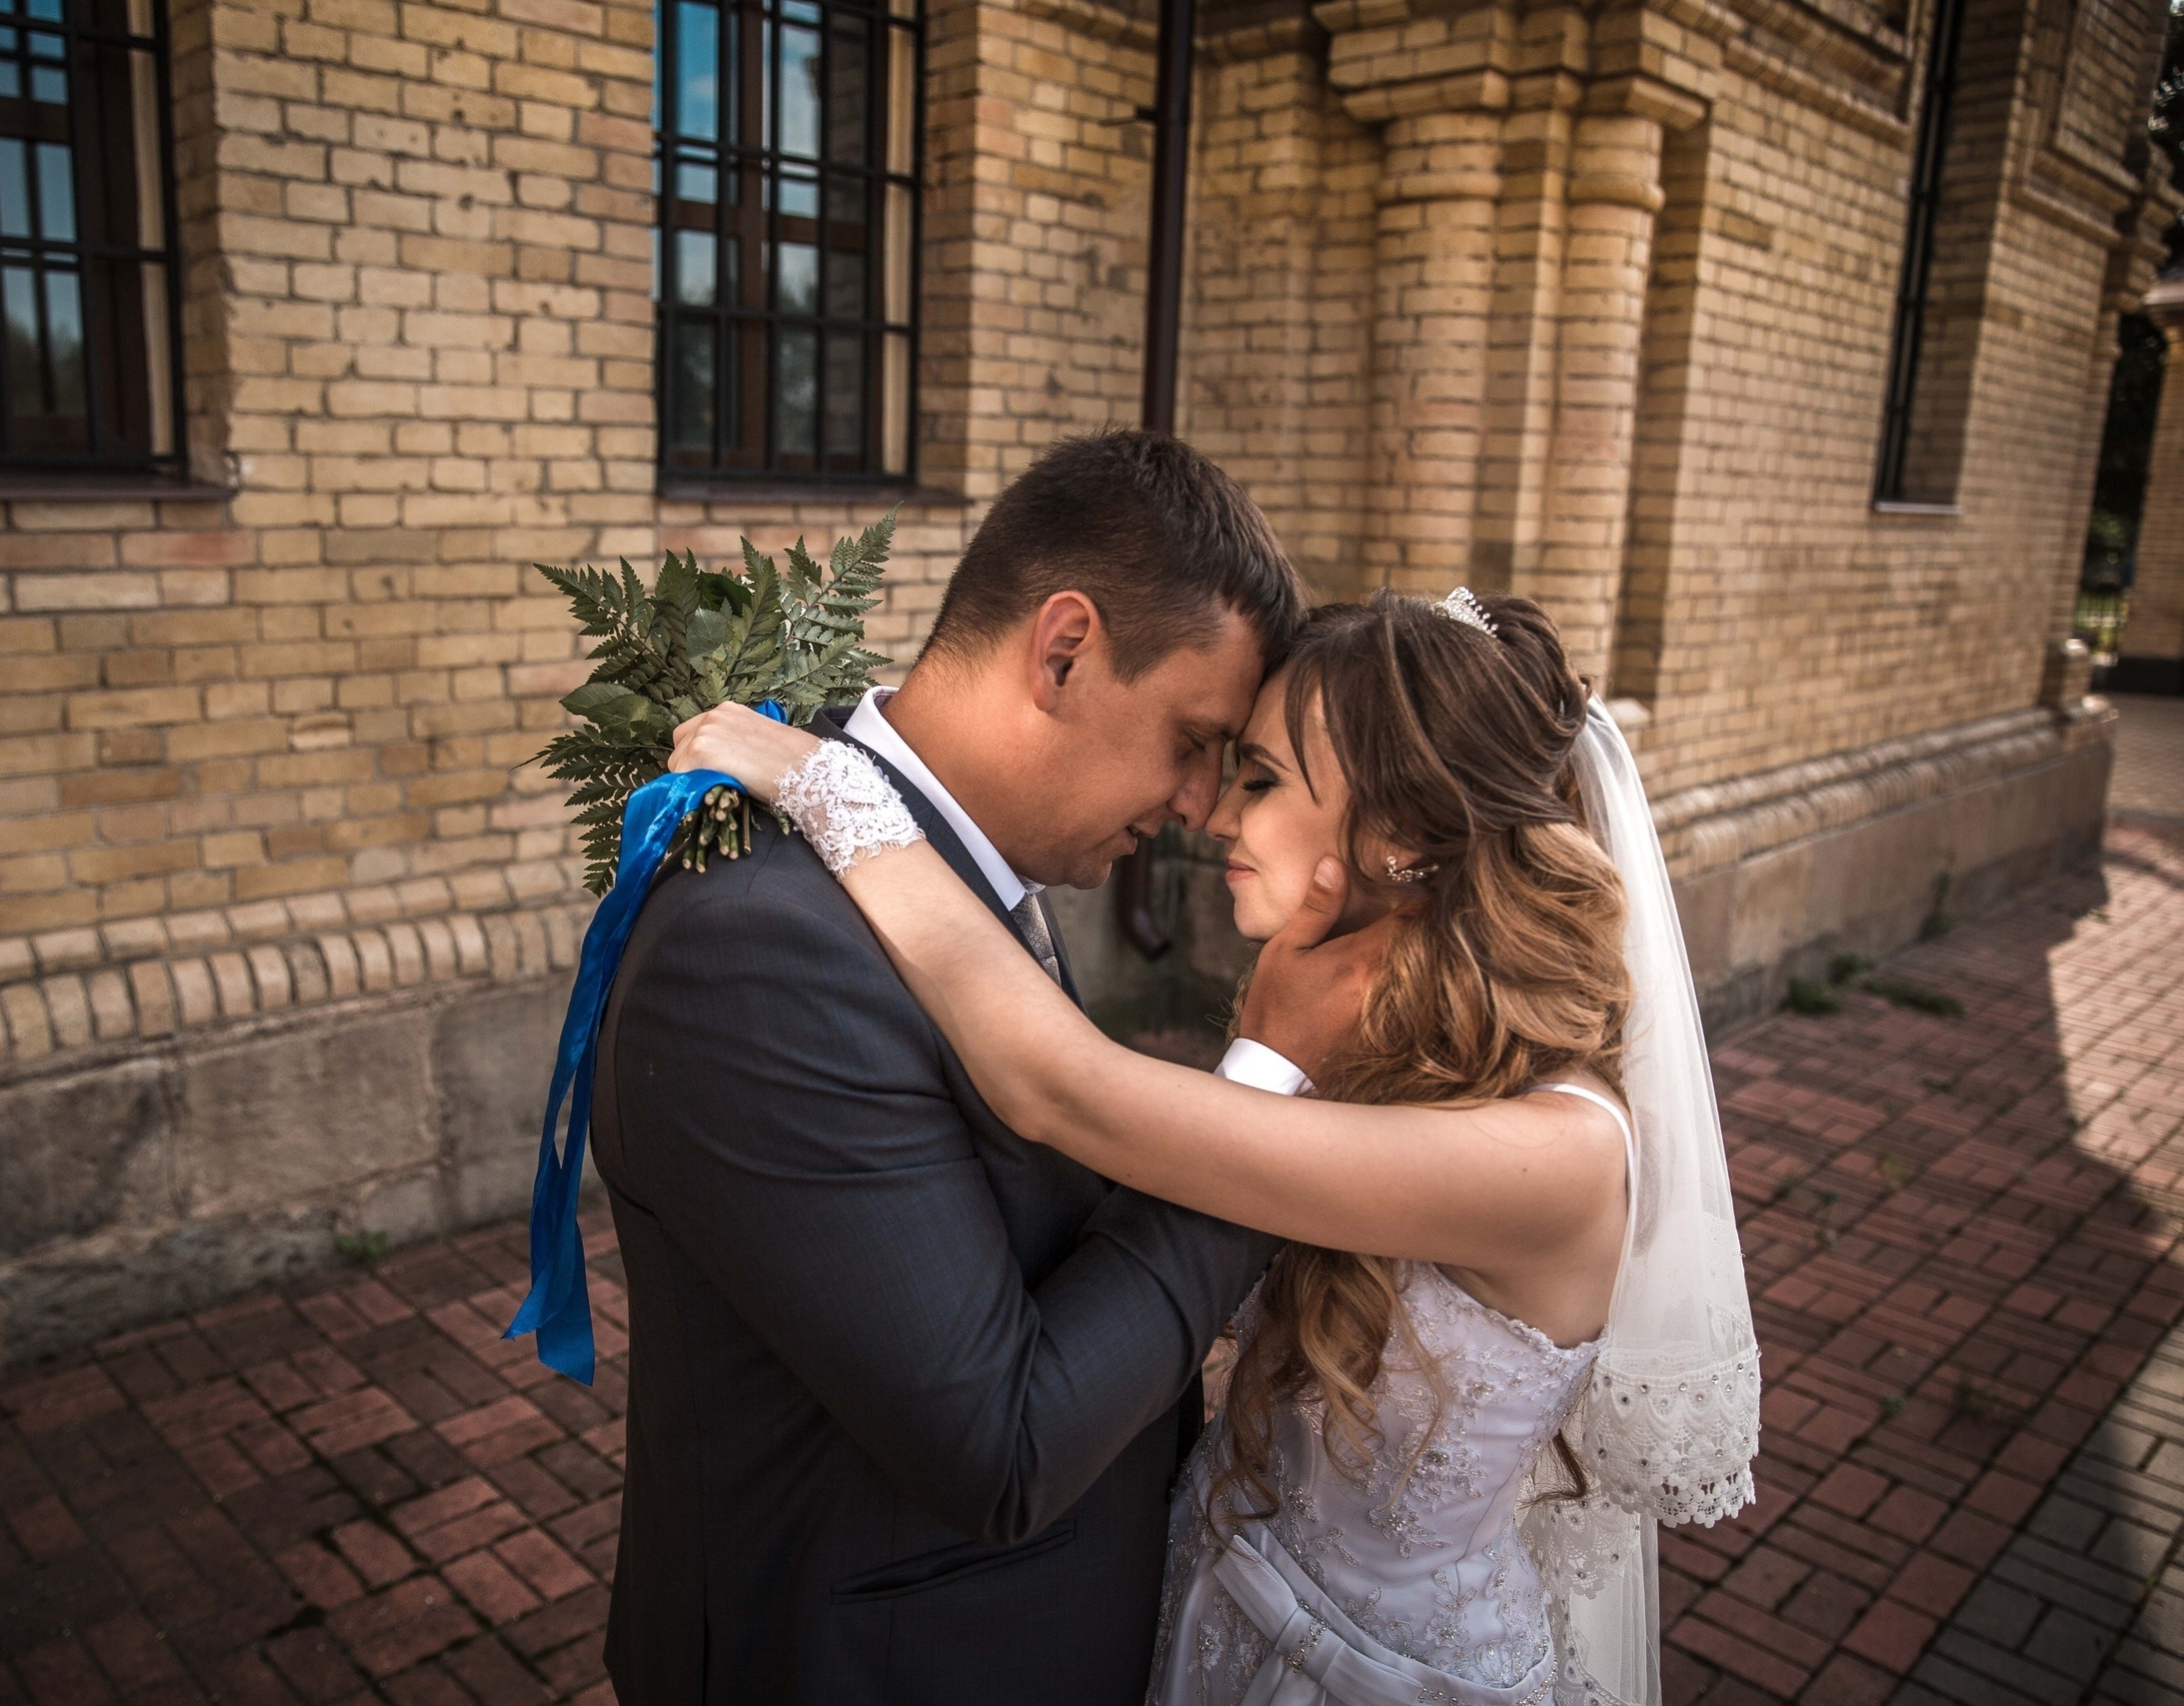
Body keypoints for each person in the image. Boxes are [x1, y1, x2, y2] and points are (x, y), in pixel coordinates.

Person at [670, 588, 1760, 1706]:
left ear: (1400, 834)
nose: (1212, 814)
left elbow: (1062, 1088)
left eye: (1260, 777)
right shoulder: (1377, 1057)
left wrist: (832, 785)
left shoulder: (1552, 1158)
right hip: (1213, 1608)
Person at [589, 430, 1313, 1705]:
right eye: (1193, 739)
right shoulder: (759, 954)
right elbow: (1004, 1441)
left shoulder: (940, 851)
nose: (1203, 804)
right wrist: (1269, 1102)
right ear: (1065, 650)